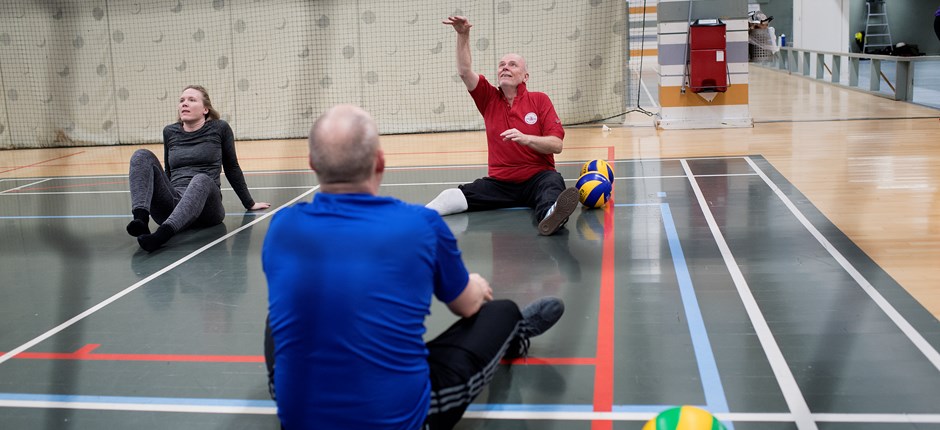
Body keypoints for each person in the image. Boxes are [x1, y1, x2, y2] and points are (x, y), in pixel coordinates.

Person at [262, 104, 565, 429]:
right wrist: (474, 284)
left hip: (298, 419)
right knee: (501, 312)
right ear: (380, 162)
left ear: (312, 165)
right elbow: (466, 306)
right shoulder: (419, 224)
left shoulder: (281, 226)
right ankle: (515, 332)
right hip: (401, 418)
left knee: (282, 314)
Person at [427, 15, 579, 236]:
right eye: (501, 65)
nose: (505, 67)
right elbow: (464, 71)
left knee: (553, 182)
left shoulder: (539, 100)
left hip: (537, 177)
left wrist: (526, 138)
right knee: (453, 196)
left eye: (512, 64)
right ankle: (419, 215)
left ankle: (550, 216)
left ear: (525, 76)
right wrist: (463, 35)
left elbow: (556, 144)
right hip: (499, 183)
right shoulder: (488, 98)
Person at [125, 85, 270, 252]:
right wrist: (163, 193)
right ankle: (141, 221)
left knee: (200, 179)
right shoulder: (170, 132)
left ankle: (162, 235)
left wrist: (249, 202)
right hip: (174, 204)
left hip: (207, 209)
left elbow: (232, 167)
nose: (184, 103)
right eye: (182, 100)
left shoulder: (220, 128)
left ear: (205, 109)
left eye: (192, 100)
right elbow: (168, 172)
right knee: (141, 155)